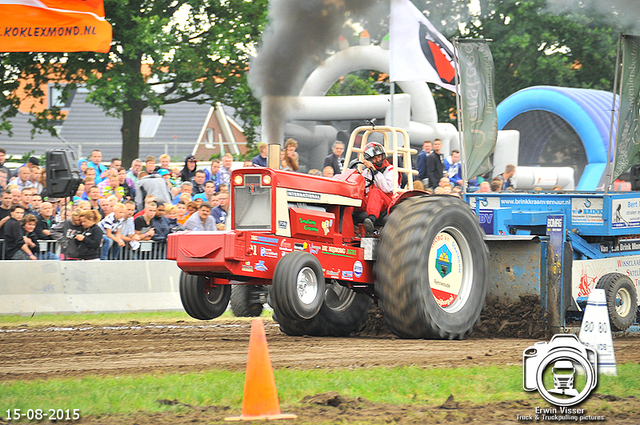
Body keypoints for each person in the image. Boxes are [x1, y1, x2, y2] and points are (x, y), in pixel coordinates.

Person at [360, 142, 395, 236]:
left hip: (387, 202)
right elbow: (364, 188)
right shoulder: (366, 172)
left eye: (379, 156)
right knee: (355, 196)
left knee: (374, 192)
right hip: (371, 200)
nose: (378, 160)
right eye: (374, 158)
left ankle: (370, 221)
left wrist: (374, 171)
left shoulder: (391, 170)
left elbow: (386, 188)